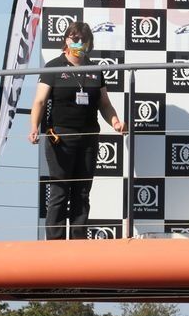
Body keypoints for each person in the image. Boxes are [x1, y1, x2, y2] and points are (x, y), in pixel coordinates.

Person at [28, 22, 124, 240]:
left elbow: (104, 104)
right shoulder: (53, 67)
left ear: (89, 43)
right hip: (60, 138)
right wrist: (34, 126)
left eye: (83, 39)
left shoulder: (94, 70)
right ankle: (55, 243)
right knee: (60, 191)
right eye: (75, 38)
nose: (79, 43)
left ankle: (79, 241)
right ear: (66, 40)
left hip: (88, 138)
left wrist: (115, 122)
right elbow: (40, 101)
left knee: (82, 192)